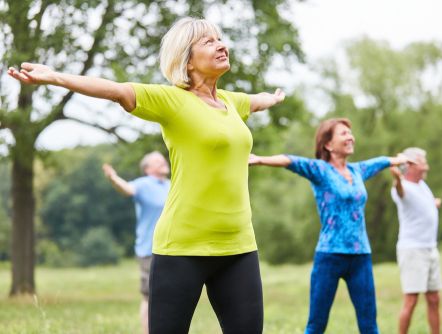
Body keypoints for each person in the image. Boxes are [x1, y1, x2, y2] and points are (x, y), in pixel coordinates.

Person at [9, 17, 285, 334]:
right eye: (208, 42)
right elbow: (116, 91)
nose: (221, 45)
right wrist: (55, 77)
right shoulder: (172, 100)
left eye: (220, 38)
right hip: (182, 247)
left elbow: (257, 101)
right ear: (187, 60)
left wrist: (272, 98)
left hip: (239, 246)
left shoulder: (230, 101)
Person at [249, 118, 408, 334]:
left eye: (350, 133)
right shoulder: (320, 170)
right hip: (330, 256)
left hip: (360, 255)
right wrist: (259, 159)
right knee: (316, 325)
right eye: (343, 133)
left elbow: (378, 162)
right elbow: (291, 160)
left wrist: (397, 160)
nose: (350, 137)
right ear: (328, 144)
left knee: (369, 325)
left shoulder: (357, 171)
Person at [102, 151, 170, 334]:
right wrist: (114, 178)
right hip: (150, 249)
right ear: (147, 169)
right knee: (150, 296)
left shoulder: (171, 185)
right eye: (157, 161)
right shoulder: (143, 184)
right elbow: (127, 189)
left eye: (163, 159)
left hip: (173, 248)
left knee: (170, 295)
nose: (163, 162)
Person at [389, 147, 442, 334]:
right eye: (423, 161)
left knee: (434, 298)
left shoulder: (422, 185)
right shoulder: (402, 187)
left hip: (430, 248)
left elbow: (422, 206)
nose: (426, 165)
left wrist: (433, 204)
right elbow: (400, 191)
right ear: (411, 165)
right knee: (411, 301)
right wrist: (397, 177)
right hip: (413, 250)